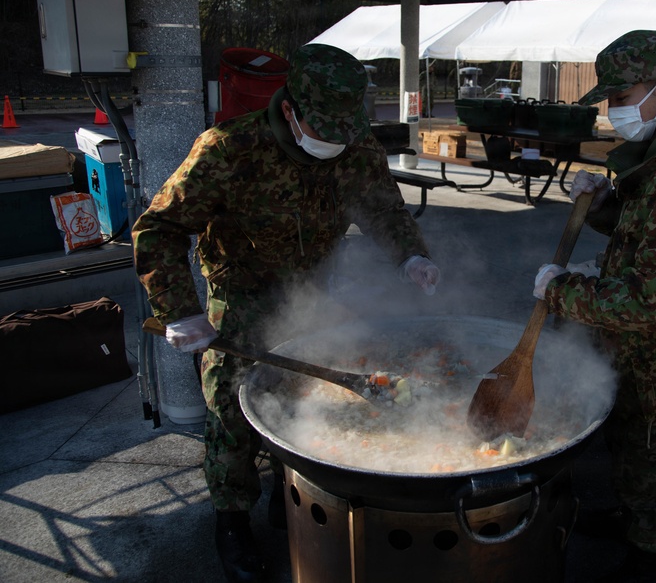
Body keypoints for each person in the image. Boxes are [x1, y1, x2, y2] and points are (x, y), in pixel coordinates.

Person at [132, 44, 440, 583]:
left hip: (314, 293)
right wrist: (179, 311)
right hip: (240, 296)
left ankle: (288, 492)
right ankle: (231, 521)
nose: (338, 141)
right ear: (291, 109)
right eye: (326, 128)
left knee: (302, 398)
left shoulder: (356, 144)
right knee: (231, 410)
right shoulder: (229, 148)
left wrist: (411, 257)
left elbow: (383, 209)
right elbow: (159, 227)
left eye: (346, 129)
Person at [533, 30, 656, 582]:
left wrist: (560, 291)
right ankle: (630, 517)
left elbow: (655, 302)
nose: (614, 112)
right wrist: (605, 207)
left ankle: (650, 558)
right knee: (629, 448)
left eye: (622, 99)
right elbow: (644, 235)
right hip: (632, 352)